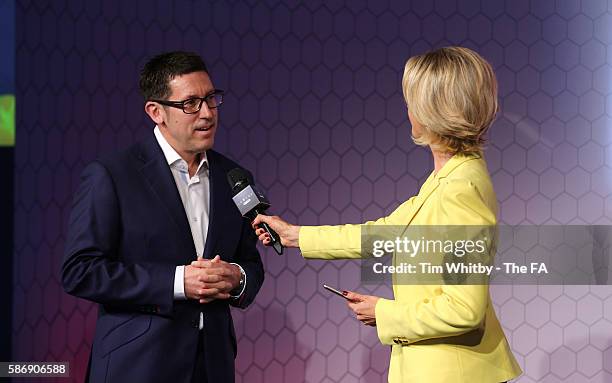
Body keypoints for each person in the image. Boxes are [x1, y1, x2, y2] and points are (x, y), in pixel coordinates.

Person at [254, 47, 522, 382]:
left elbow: (464, 309)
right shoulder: (447, 179)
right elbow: (382, 233)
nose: (408, 110)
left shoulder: (460, 190)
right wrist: (294, 235)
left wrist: (383, 312)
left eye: (411, 100)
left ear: (431, 111)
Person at [62, 51, 264, 383]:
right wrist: (176, 282)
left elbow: (251, 265)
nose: (207, 113)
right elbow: (80, 270)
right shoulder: (112, 175)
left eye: (211, 99)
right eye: (191, 104)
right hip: (137, 366)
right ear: (156, 112)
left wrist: (236, 277)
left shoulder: (235, 177)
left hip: (213, 366)